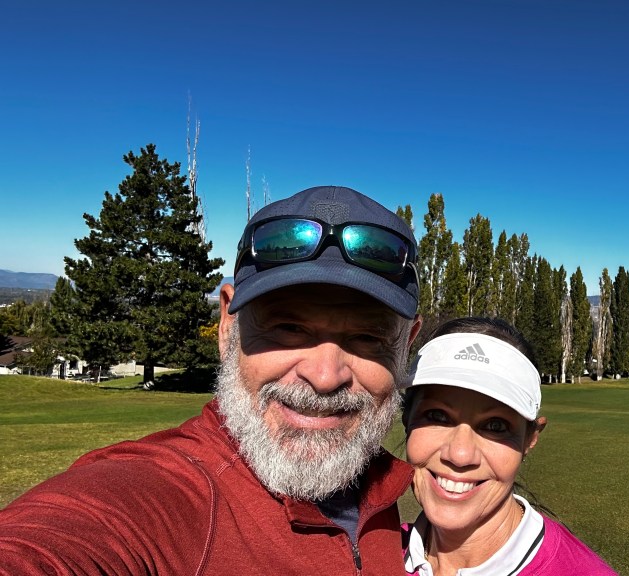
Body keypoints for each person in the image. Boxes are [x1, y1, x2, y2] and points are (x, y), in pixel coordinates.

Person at [0, 185, 423, 575]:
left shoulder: (383, 485)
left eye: (368, 338)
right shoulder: (168, 495)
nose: (325, 376)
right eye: (288, 328)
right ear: (228, 327)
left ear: (407, 346)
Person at [401, 317, 617, 575]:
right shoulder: (372, 551)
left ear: (530, 439)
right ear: (407, 420)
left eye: (495, 426)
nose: (459, 455)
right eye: (437, 416)